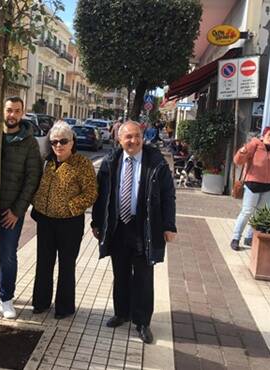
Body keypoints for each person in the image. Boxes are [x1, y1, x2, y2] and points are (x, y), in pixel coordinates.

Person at [91, 120, 177, 344]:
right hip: (118, 227)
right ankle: (122, 313)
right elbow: (101, 196)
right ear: (119, 140)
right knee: (120, 274)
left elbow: (168, 195)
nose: (133, 140)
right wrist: (96, 222)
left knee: (143, 277)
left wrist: (169, 225)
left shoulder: (156, 162)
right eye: (128, 137)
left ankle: (142, 322)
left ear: (143, 136)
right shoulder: (111, 161)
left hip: (145, 228)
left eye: (137, 135)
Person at [31, 121, 98, 319]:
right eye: (54, 142)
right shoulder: (47, 162)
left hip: (70, 223)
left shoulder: (82, 163)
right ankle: (41, 302)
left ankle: (64, 307)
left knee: (66, 265)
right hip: (46, 221)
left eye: (63, 141)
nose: (58, 145)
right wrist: (38, 204)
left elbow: (91, 192)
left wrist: (70, 207)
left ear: (72, 142)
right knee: (44, 263)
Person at [0, 96, 42, 319]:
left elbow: (32, 178)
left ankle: (6, 298)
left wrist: (18, 210)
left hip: (10, 212)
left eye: (16, 110)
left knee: (7, 255)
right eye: (8, 110)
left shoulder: (29, 142)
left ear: (22, 113)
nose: (12, 115)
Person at [230, 126, 270, 250]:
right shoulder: (255, 145)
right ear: (264, 135)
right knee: (247, 212)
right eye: (269, 135)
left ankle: (249, 237)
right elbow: (237, 161)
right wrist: (243, 150)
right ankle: (236, 238)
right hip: (252, 185)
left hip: (269, 187)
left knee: (259, 214)